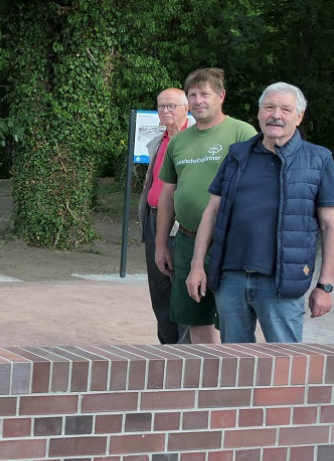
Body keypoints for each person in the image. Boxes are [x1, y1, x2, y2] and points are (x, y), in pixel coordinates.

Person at [186, 83, 334, 343]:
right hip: (230, 280)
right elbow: (212, 212)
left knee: (283, 365)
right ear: (259, 113)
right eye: (269, 107)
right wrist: (197, 266)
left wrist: (325, 285)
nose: (276, 114)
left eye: (286, 109)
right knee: (235, 364)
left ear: (299, 117)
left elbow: (329, 225)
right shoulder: (237, 155)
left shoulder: (319, 159)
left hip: (282, 284)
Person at [155, 67, 257, 343]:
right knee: (196, 320)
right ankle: (208, 382)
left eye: (205, 94)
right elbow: (167, 194)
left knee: (234, 323)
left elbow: (258, 189)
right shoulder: (179, 141)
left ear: (221, 96)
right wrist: (161, 244)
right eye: (193, 94)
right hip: (187, 240)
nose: (198, 100)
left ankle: (235, 383)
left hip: (230, 242)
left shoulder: (242, 133)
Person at [138, 88, 190, 344]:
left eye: (171, 106)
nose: (165, 111)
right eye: (161, 107)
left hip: (182, 223)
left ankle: (186, 355)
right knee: (159, 291)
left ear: (186, 108)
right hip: (153, 219)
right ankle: (167, 350)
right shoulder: (160, 140)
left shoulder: (195, 140)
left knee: (182, 290)